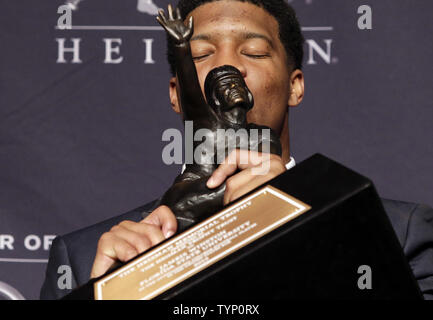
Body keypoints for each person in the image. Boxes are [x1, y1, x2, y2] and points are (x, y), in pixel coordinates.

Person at [40, 0, 433, 300]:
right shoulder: (85, 258)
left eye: (254, 53)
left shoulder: (398, 234)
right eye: (200, 55)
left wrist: (305, 230)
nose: (226, 66)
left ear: (295, 85)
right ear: (178, 94)